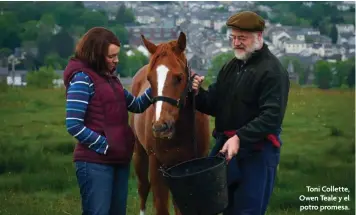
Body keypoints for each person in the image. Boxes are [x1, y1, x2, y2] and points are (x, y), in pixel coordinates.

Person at [191, 11, 290, 215]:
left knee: (247, 211)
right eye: (233, 38)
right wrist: (196, 94)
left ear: (259, 37)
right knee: (222, 207)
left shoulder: (273, 72)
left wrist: (239, 138)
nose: (236, 43)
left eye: (242, 38)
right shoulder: (230, 67)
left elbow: (271, 117)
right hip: (226, 150)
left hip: (257, 155)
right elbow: (213, 103)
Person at [63, 27, 153, 215]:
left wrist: (160, 87)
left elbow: (136, 105)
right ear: (96, 55)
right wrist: (105, 145)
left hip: (118, 161)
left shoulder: (111, 80)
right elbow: (73, 124)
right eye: (111, 56)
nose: (116, 60)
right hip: (95, 163)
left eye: (117, 55)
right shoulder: (81, 79)